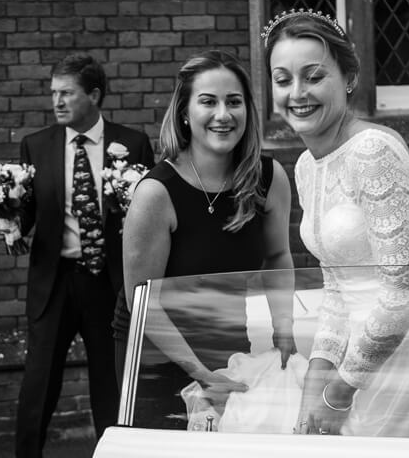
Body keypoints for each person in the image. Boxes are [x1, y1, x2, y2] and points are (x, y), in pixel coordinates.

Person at [262, 10, 409, 439]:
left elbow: (405, 291)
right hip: (359, 368)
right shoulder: (305, 167)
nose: (297, 93)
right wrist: (315, 388)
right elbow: (337, 290)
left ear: (348, 78)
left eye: (313, 77)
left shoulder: (372, 150)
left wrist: (339, 392)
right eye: (283, 79)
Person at [10, 53, 155, 458]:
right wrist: (8, 223)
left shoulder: (133, 145)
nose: (56, 101)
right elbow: (27, 218)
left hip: (106, 284)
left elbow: (146, 217)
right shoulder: (37, 146)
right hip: (54, 285)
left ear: (93, 95)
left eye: (66, 93)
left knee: (110, 395)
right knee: (38, 393)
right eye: (53, 93)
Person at [115, 50, 296, 427]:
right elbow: (142, 303)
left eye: (234, 102)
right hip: (159, 352)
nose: (223, 115)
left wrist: (284, 331)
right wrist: (200, 373)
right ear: (184, 111)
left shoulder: (268, 177)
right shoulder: (156, 194)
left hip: (228, 346)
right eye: (208, 102)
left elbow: (278, 256)